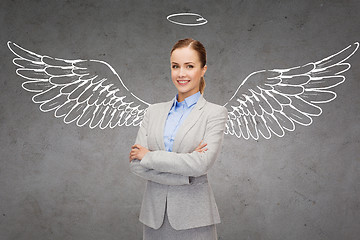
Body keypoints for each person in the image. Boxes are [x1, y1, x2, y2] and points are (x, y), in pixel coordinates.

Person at [129, 38, 228, 239]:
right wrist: (185, 175)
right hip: (154, 220)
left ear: (203, 70)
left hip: (195, 219)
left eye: (189, 66)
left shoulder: (215, 113)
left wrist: (149, 156)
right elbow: (136, 165)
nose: (181, 73)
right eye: (175, 66)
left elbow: (201, 164)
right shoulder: (152, 112)